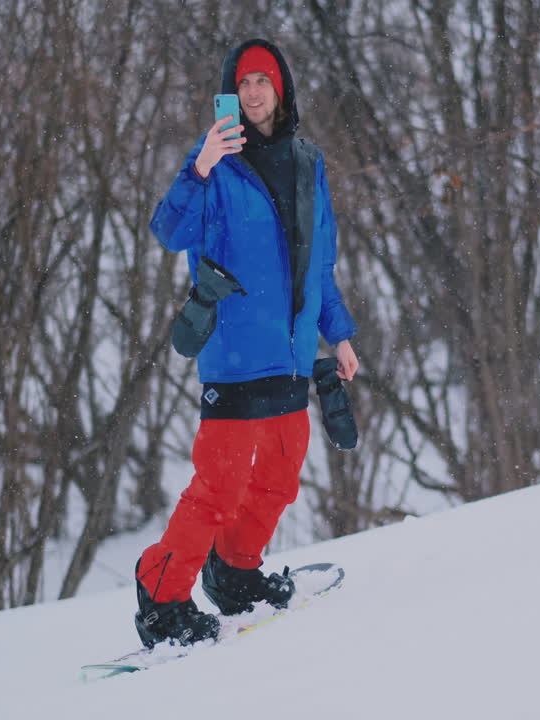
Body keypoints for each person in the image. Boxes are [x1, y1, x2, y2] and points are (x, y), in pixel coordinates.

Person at [134, 38, 360, 649]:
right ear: (231, 96)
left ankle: (234, 572)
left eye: (263, 80)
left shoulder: (309, 162)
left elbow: (320, 264)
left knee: (281, 478)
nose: (254, 92)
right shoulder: (216, 165)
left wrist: (337, 335)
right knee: (217, 489)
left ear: (280, 88)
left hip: (290, 353)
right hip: (234, 353)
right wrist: (198, 166)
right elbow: (169, 230)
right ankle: (162, 594)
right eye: (243, 84)